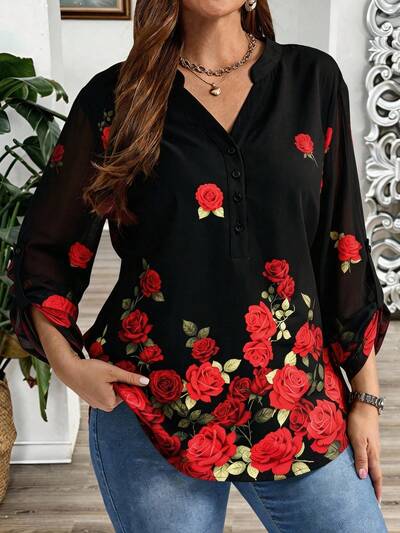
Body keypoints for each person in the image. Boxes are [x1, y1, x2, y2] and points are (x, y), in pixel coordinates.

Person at [7, 1, 391, 532]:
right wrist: (71, 368)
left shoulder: (312, 81)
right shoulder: (117, 98)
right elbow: (47, 249)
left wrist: (365, 398)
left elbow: (343, 249)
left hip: (298, 401)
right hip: (152, 409)